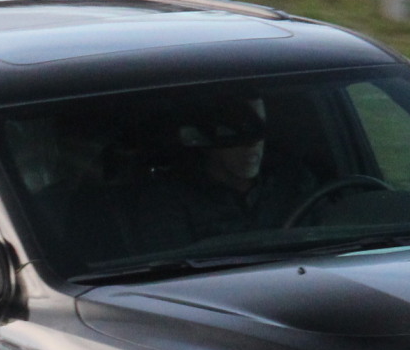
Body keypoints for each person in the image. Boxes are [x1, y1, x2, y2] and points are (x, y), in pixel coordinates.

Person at [113, 95, 321, 258]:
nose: (252, 144)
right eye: (237, 132)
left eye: (260, 131)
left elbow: (324, 242)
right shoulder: (167, 200)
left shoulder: (295, 184)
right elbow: (169, 270)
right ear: (205, 138)